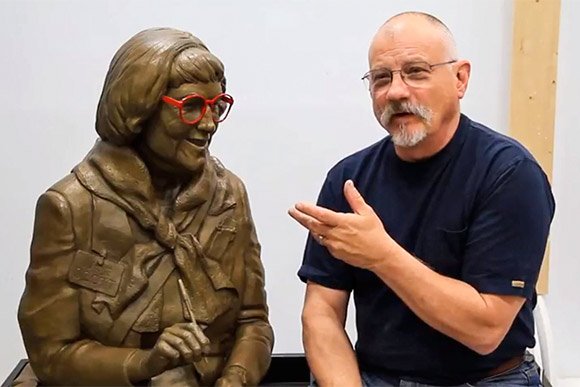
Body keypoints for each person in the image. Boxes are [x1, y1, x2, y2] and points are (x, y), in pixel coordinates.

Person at [289, 12, 554, 387]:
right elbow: (321, 314)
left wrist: (381, 254)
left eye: (415, 71)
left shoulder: (509, 174)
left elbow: (485, 330)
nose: (396, 92)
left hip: (487, 379)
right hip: (375, 378)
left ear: (460, 78)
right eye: (382, 78)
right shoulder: (348, 180)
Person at [18, 28, 273, 386]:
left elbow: (253, 323)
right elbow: (50, 355)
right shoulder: (70, 208)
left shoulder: (228, 195)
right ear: (139, 110)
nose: (209, 124)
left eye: (217, 106)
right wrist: (144, 363)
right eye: (191, 108)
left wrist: (234, 379)